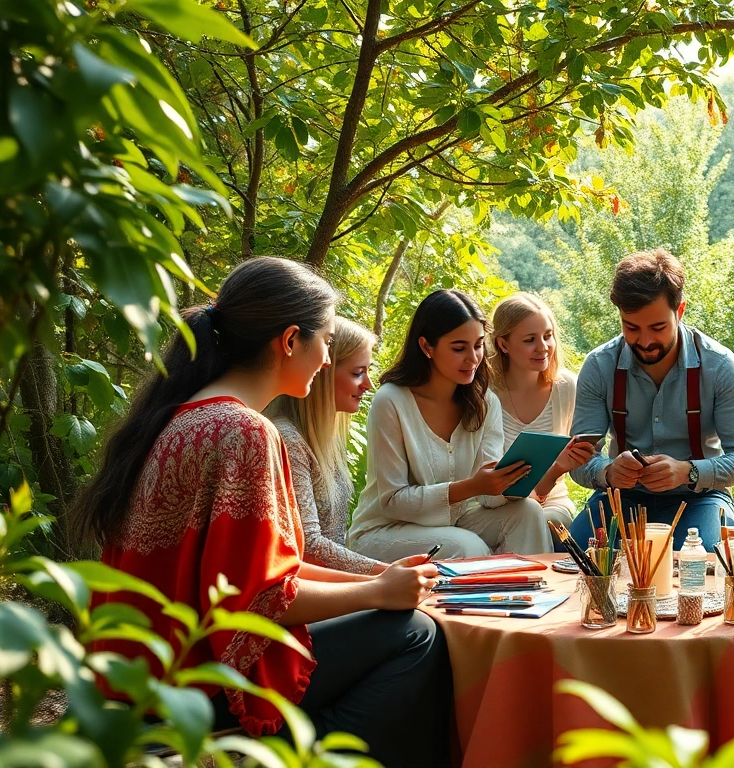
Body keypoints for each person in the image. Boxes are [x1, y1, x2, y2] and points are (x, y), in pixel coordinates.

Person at [70, 257, 450, 767]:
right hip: (192, 682)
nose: (326, 359)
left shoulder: (180, 415)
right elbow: (260, 599)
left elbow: (266, 569)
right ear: (290, 340)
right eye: (325, 342)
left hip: (137, 673)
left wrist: (381, 580)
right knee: (415, 634)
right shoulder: (245, 431)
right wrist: (377, 593)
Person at [567, 248, 734, 550]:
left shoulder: (719, 365)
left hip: (700, 498)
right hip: (620, 498)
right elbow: (579, 458)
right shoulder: (599, 365)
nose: (645, 341)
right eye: (631, 328)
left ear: (680, 311)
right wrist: (608, 471)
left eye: (658, 327)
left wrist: (689, 471)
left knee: (701, 562)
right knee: (576, 556)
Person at [349, 288, 549, 559]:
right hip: (386, 529)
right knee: (466, 546)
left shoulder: (485, 403)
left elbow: (489, 498)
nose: (473, 358)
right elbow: (393, 501)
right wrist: (473, 486)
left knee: (528, 513)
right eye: (459, 348)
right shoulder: (391, 401)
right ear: (426, 347)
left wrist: (511, 481)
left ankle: (531, 587)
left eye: (478, 345)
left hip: (454, 524)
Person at [266, 317, 386, 575]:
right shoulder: (288, 439)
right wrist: (384, 573)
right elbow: (308, 545)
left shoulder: (324, 439)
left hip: (333, 583)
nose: (368, 384)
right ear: (323, 371)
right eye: (358, 373)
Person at [487, 292, 595, 535]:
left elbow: (581, 454)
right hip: (496, 506)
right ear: (503, 345)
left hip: (551, 502)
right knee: (528, 519)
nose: (543, 347)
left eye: (548, 336)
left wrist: (565, 464)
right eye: (530, 340)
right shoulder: (484, 394)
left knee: (545, 520)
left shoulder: (566, 387)